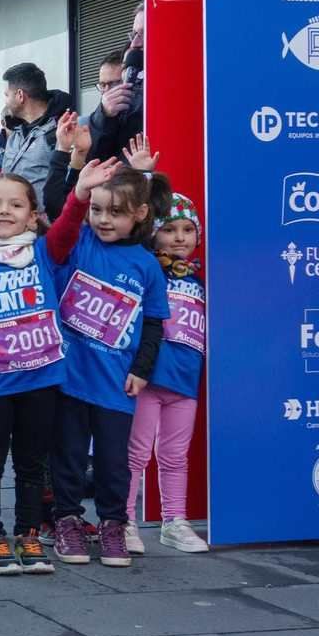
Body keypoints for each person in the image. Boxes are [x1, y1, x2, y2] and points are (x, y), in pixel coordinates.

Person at [0, 164, 107, 575]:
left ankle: (28, 534)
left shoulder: (43, 255)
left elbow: (69, 228)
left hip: (41, 380)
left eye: (16, 205)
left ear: (32, 216)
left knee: (33, 462)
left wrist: (81, 193)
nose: (4, 211)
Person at [51, 159, 169, 568]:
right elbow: (57, 209)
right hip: (68, 379)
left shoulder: (147, 264)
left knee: (113, 461)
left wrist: (142, 369)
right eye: (97, 209)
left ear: (139, 213)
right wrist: (73, 170)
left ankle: (114, 524)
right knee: (66, 456)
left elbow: (154, 324)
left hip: (117, 384)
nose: (103, 219)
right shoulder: (79, 241)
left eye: (116, 212)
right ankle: (66, 520)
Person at [131, 190, 209, 554]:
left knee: (176, 455)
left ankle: (174, 521)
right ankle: (123, 520)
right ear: (153, 233)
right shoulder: (148, 272)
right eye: (170, 229)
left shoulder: (200, 283)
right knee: (135, 454)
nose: (180, 238)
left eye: (188, 229)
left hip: (185, 384)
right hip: (147, 381)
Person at [0, 63, 72, 192]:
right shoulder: (15, 133)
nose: (6, 102)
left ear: (20, 95)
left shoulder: (62, 131)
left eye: (7, 95)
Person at [88, 3, 146, 165]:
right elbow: (95, 158)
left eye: (144, 33)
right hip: (130, 185)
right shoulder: (128, 96)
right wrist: (104, 115)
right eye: (134, 34)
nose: (135, 43)